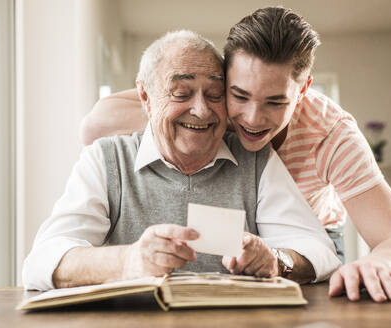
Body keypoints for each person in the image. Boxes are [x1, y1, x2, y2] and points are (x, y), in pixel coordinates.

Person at [80, 7, 391, 303]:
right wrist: (185, 115)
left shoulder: (333, 136)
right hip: (236, 228)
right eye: (239, 96)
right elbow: (95, 125)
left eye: (275, 101)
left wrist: (377, 264)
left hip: (308, 244)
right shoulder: (208, 104)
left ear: (304, 88)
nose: (252, 118)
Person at [22, 30, 341, 291]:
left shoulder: (255, 159)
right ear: (145, 97)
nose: (201, 110)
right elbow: (41, 262)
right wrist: (129, 261)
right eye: (181, 93)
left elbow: (319, 251)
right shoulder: (106, 159)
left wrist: (276, 259)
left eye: (214, 95)